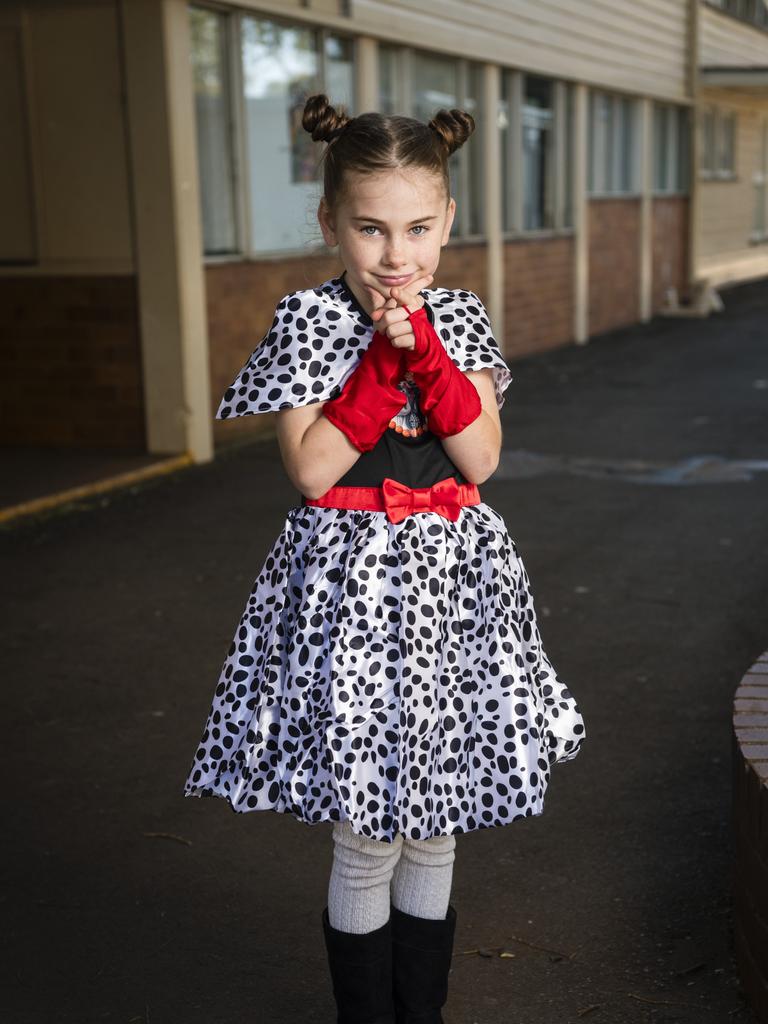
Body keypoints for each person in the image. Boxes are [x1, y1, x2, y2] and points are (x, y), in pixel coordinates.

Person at [183, 92, 586, 1024]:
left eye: (414, 229)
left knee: (435, 825)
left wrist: (434, 361)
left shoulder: (466, 318)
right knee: (369, 831)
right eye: (369, 229)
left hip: (452, 595)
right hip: (352, 599)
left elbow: (481, 457)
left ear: (447, 221)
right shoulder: (305, 322)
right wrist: (378, 367)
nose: (395, 257)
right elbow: (313, 471)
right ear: (330, 224)